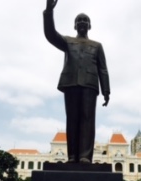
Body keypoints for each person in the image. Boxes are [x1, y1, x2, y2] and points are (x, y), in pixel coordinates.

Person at [43, 0, 111, 163]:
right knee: (72, 119)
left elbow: (103, 68)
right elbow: (51, 34)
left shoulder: (97, 45)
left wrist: (106, 90)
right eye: (79, 20)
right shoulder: (67, 42)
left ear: (89, 25)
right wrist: (49, 11)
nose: (82, 22)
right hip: (71, 83)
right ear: (75, 26)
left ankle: (85, 157)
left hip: (89, 84)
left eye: (85, 20)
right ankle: (72, 156)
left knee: (88, 119)